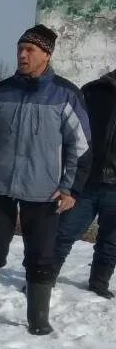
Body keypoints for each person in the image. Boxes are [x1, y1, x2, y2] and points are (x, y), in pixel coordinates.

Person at [0, 25, 89, 334]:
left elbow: (80, 147)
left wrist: (70, 188)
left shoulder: (66, 94)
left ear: (47, 54)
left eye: (30, 50)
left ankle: (38, 318)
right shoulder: (0, 91)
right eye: (20, 48)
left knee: (41, 256)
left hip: (44, 190)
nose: (22, 54)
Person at [54, 65, 116, 298]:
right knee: (63, 233)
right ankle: (44, 278)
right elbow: (73, 132)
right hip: (87, 179)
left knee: (111, 240)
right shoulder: (93, 91)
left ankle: (99, 282)